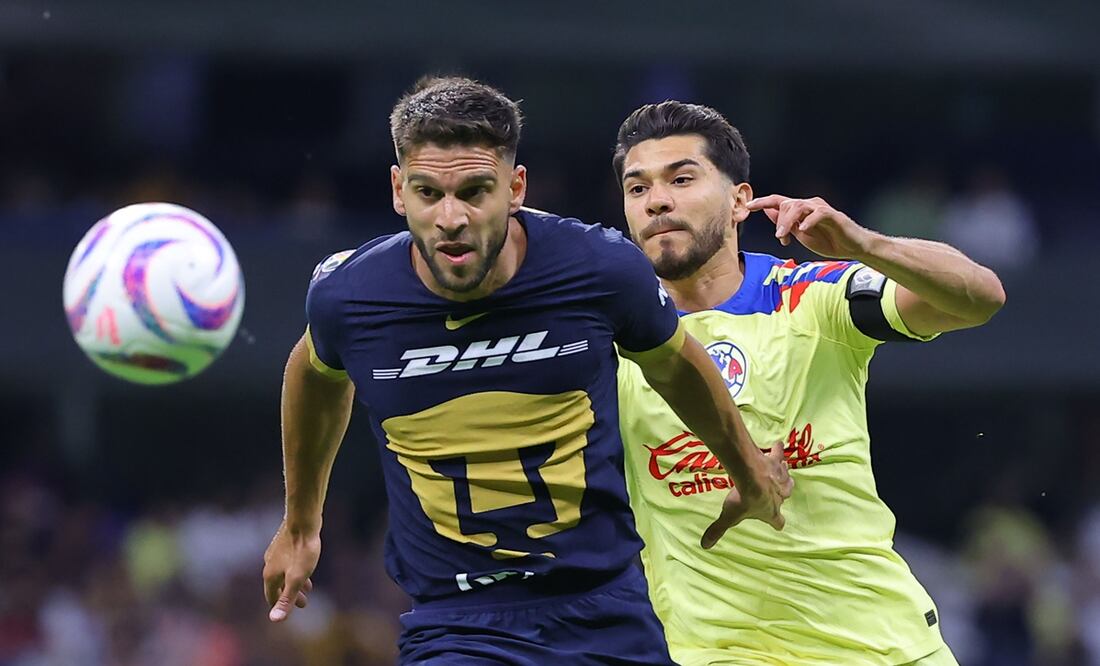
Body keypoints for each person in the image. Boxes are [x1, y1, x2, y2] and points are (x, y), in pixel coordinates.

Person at [261, 78, 792, 664]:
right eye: (427, 192)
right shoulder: (349, 296)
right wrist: (301, 524)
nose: (450, 217)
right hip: (457, 624)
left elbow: (676, 366)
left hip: (607, 608)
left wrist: (747, 470)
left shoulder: (600, 269)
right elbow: (315, 372)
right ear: (397, 190)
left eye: (474, 190)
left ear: (516, 188)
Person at [613, 101, 1006, 665]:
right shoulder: (613, 340)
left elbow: (980, 298)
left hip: (880, 644)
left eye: (681, 178)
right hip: (719, 652)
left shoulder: (813, 294)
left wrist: (864, 246)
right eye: (637, 188)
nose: (657, 201)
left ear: (739, 200)